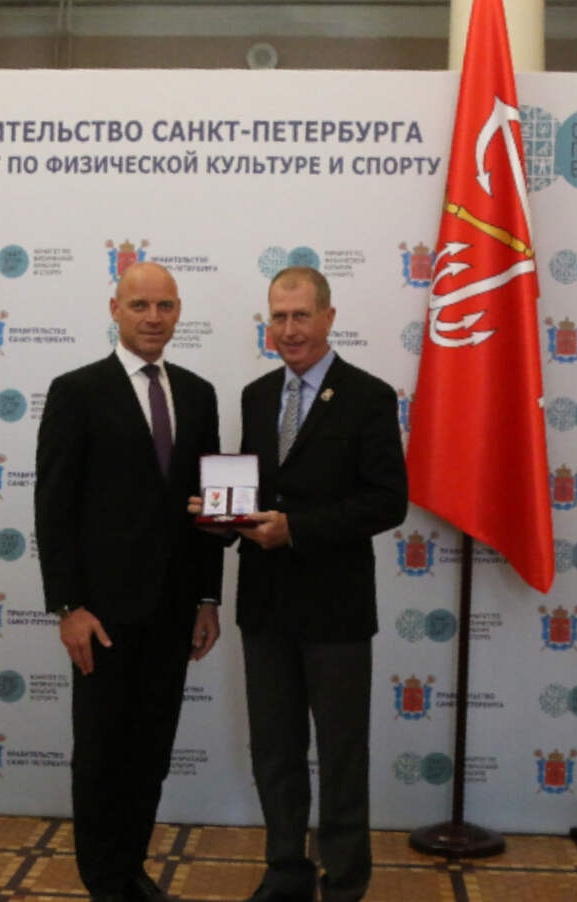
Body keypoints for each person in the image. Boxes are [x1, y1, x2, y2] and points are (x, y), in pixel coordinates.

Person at [35, 262, 223, 902]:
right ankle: (104, 881)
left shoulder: (198, 393)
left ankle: (131, 869)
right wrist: (68, 605)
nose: (152, 317)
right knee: (100, 754)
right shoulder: (77, 390)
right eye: (139, 305)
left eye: (164, 305)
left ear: (179, 311)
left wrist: (207, 597)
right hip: (103, 615)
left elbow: (208, 508)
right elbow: (53, 507)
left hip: (174, 611)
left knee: (151, 752)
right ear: (115, 308)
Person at [234, 266, 407, 902]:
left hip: (336, 611)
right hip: (264, 607)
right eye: (278, 317)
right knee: (274, 752)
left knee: (340, 754)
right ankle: (286, 870)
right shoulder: (256, 395)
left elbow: (387, 501)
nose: (289, 329)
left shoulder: (368, 395)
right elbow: (256, 490)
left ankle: (345, 880)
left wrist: (297, 530)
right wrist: (221, 515)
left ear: (329, 318)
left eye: (301, 316)